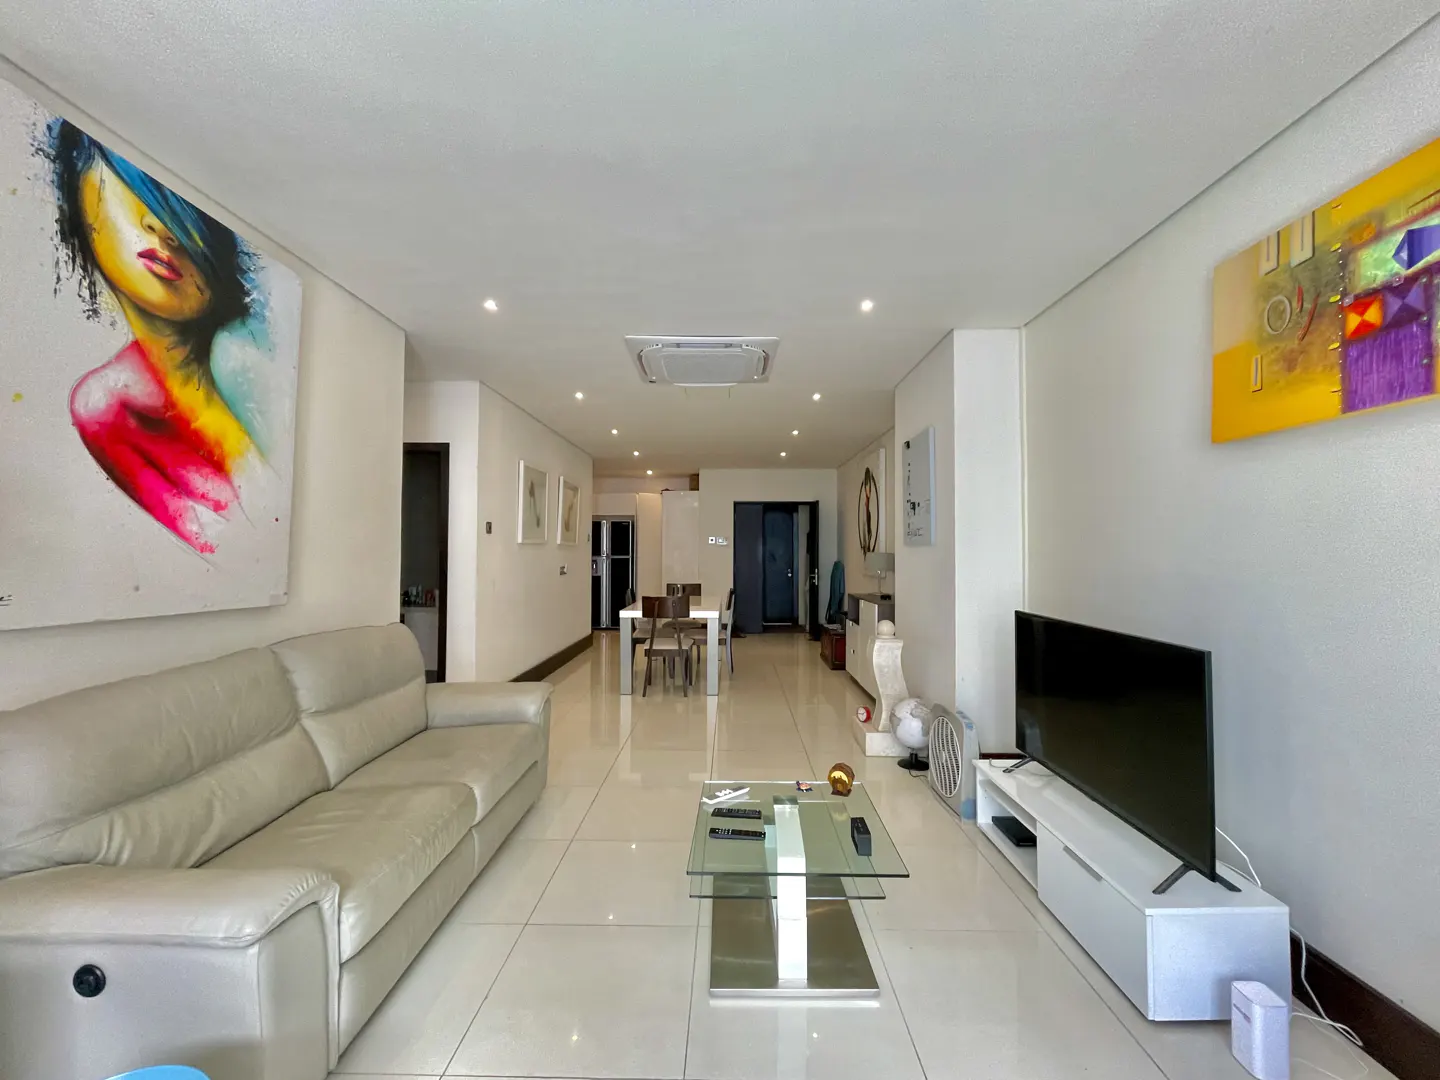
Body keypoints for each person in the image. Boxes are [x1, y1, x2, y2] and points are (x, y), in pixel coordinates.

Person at [48, 119, 265, 554]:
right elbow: (229, 551)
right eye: (138, 189)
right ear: (77, 189)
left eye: (183, 214)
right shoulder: (108, 407)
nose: (164, 228)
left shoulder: (251, 360)